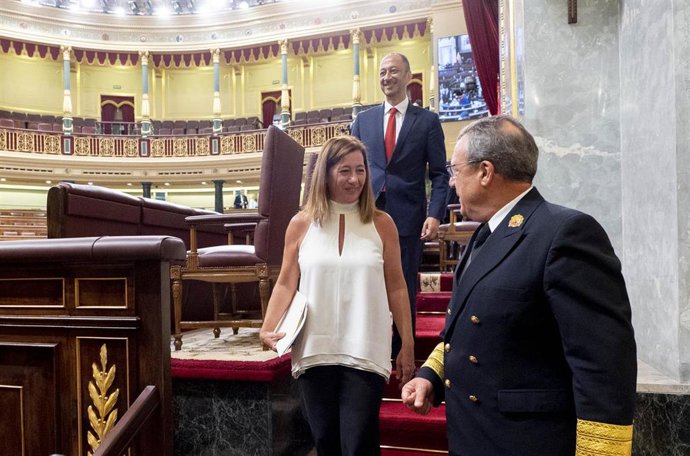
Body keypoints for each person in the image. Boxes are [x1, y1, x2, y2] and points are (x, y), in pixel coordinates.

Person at [402, 115, 637, 456]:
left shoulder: (565, 234)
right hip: (474, 436)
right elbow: (469, 334)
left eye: (455, 170)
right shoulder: (483, 236)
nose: (452, 183)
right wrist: (430, 376)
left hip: (525, 441)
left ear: (485, 172)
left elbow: (603, 366)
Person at [259, 135, 416, 455]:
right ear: (326, 174)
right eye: (345, 170)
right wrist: (267, 325)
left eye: (360, 170)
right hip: (315, 347)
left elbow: (397, 286)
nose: (354, 179)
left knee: (358, 442)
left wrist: (408, 343)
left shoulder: (382, 224)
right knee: (326, 441)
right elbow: (287, 282)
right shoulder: (301, 224)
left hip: (366, 348)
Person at [351, 52, 448, 356]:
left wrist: (435, 215)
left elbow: (440, 174)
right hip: (367, 215)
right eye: (382, 73)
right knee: (366, 280)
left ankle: (404, 347)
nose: (387, 77)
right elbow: (354, 168)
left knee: (404, 283)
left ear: (408, 76)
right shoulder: (362, 121)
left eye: (393, 71)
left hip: (409, 216)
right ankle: (369, 343)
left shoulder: (428, 121)